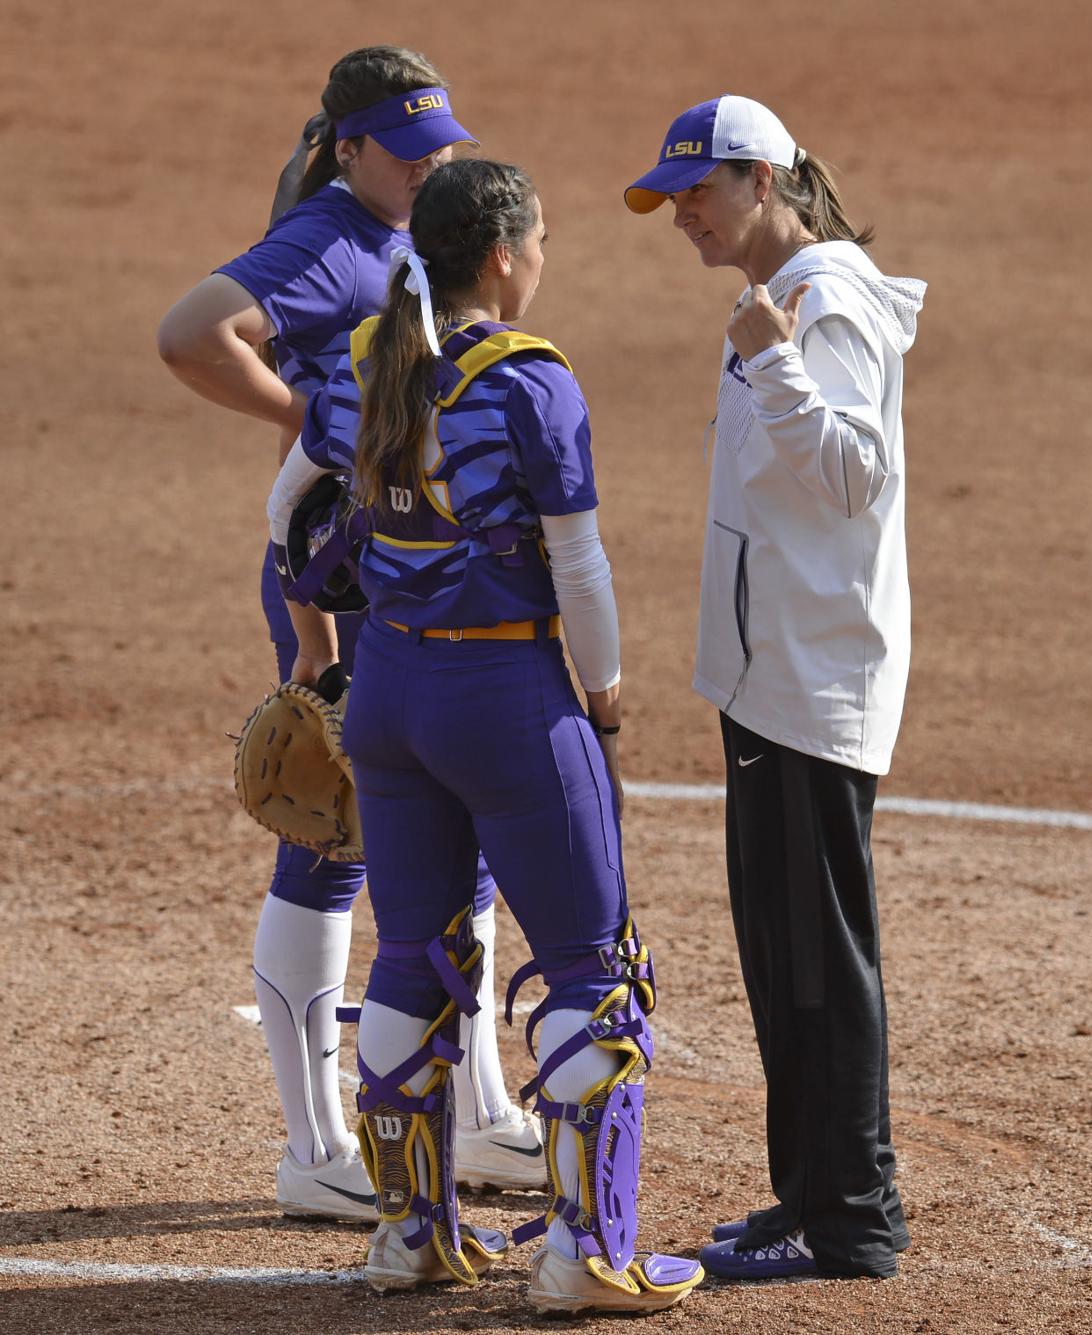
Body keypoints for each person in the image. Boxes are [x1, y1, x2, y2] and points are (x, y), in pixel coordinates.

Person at [270, 155, 704, 1313]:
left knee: (411, 953)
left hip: (390, 703)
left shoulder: (371, 357)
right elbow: (580, 566)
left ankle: (409, 1236)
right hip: (506, 700)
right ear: (504, 254)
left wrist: (316, 634)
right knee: (589, 972)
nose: (545, 260)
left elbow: (286, 511)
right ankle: (586, 1256)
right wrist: (602, 703)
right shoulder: (530, 382)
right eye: (544, 240)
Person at [156, 46, 544, 1220]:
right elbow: (190, 333)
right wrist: (321, 426)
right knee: (334, 838)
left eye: (440, 150)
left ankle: (479, 1118)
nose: (430, 167)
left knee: (462, 824)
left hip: (411, 573)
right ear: (347, 147)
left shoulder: (403, 242)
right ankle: (316, 1146)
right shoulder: (326, 241)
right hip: (340, 579)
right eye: (408, 151)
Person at [625, 95, 926, 1281]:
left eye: (695, 190)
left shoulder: (824, 303)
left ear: (762, 178)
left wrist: (775, 362)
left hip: (810, 681)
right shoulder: (783, 301)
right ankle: (808, 1195)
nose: (681, 214)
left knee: (818, 963)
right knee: (781, 957)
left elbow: (858, 475)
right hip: (769, 681)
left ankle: (855, 1218)